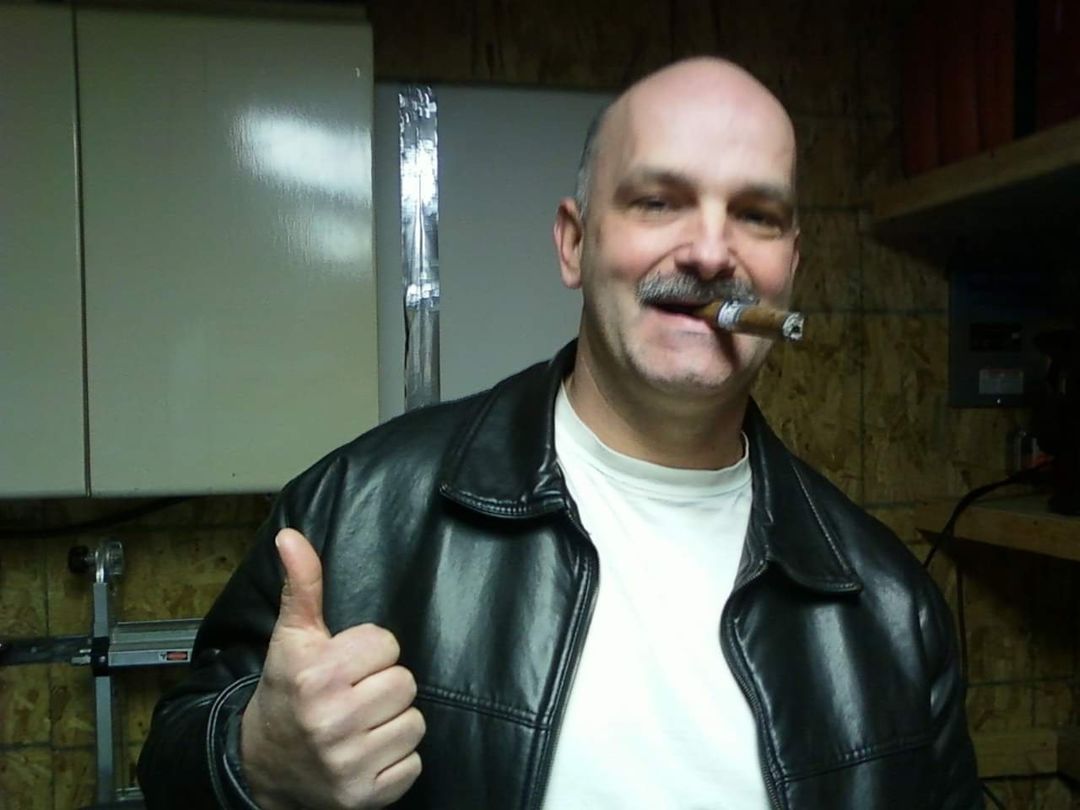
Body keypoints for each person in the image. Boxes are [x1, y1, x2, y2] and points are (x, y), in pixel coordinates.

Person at [137, 57, 983, 809]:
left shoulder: (890, 608)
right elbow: (171, 762)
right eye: (659, 201)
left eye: (756, 215)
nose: (709, 252)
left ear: (789, 270)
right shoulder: (362, 510)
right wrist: (254, 761)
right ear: (575, 244)